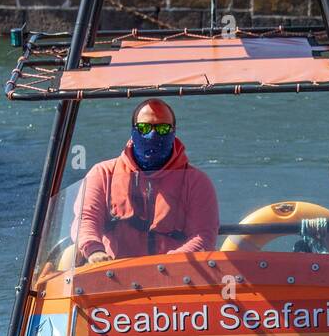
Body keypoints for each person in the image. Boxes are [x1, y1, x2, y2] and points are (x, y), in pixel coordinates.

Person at [72, 98, 219, 265]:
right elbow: (86, 219)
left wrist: (169, 265)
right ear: (133, 131)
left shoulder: (197, 182)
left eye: (163, 128)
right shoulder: (103, 174)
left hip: (177, 278)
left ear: (174, 132)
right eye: (144, 128)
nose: (153, 134)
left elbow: (204, 235)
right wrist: (94, 250)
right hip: (112, 275)